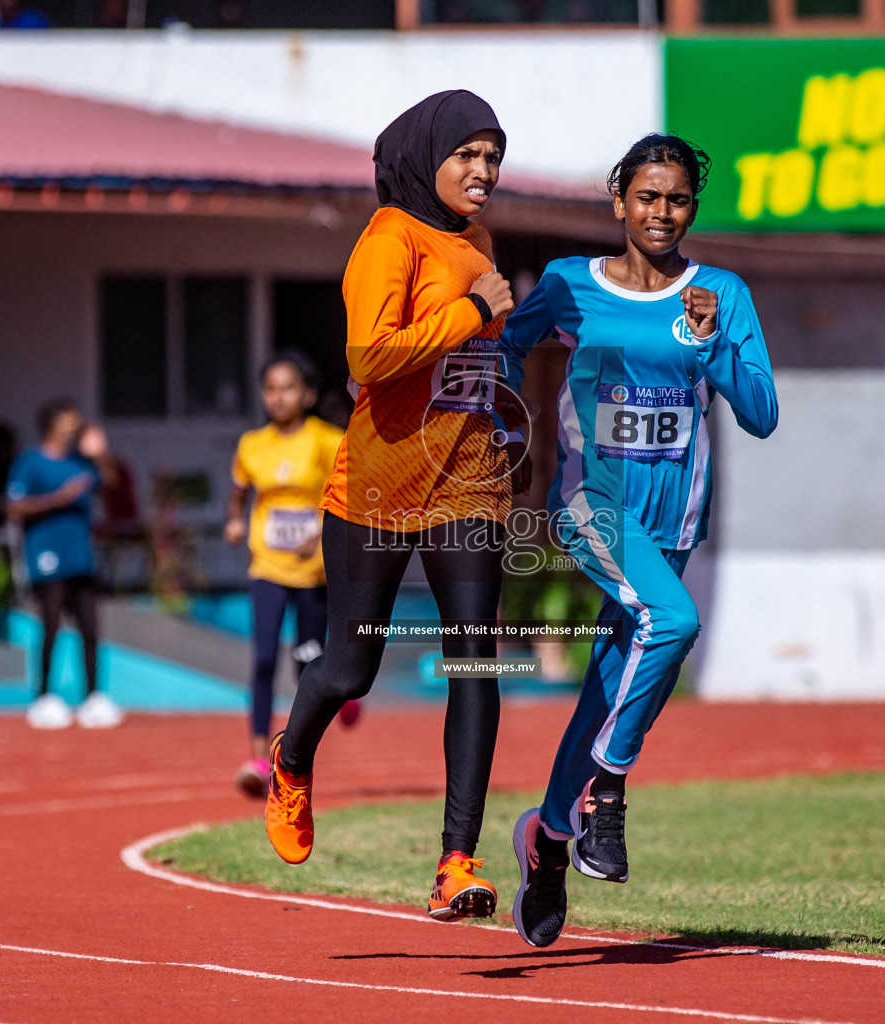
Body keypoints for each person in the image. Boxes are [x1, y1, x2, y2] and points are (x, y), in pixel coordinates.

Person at [499, 134, 779, 947]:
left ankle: (548, 840)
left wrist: (715, 343)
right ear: (619, 199)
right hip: (595, 505)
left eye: (679, 200)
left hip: (675, 517)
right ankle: (607, 797)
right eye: (648, 197)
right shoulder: (566, 284)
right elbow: (507, 351)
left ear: (694, 207)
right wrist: (504, 431)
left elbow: (760, 414)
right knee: (677, 622)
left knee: (611, 686)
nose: (663, 213)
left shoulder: (721, 293)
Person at [263, 90, 529, 921]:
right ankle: (292, 755)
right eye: (469, 156)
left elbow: (470, 351)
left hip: (469, 481)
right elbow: (371, 358)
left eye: (493, 156)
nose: (484, 171)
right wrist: (474, 309)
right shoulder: (387, 239)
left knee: (476, 663)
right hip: (379, 484)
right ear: (427, 158)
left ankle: (458, 862)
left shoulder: (474, 238)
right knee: (349, 669)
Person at [223, 351, 347, 798]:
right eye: (270, 389)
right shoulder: (252, 445)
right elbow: (239, 494)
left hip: (313, 571)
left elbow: (346, 498)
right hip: (267, 567)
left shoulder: (328, 441)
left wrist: (317, 532)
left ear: (308, 394)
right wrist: (235, 520)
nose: (278, 397)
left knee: (308, 665)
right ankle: (260, 757)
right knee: (262, 660)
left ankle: (344, 695)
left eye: (288, 387)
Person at [6, 399, 123, 730]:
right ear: (55, 426)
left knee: (90, 628)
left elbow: (112, 482)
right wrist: (58, 499)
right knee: (51, 625)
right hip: (46, 555)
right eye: (71, 422)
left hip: (80, 556)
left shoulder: (81, 463)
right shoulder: (30, 463)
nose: (77, 427)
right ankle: (43, 696)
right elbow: (14, 507)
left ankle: (93, 697)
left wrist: (101, 453)